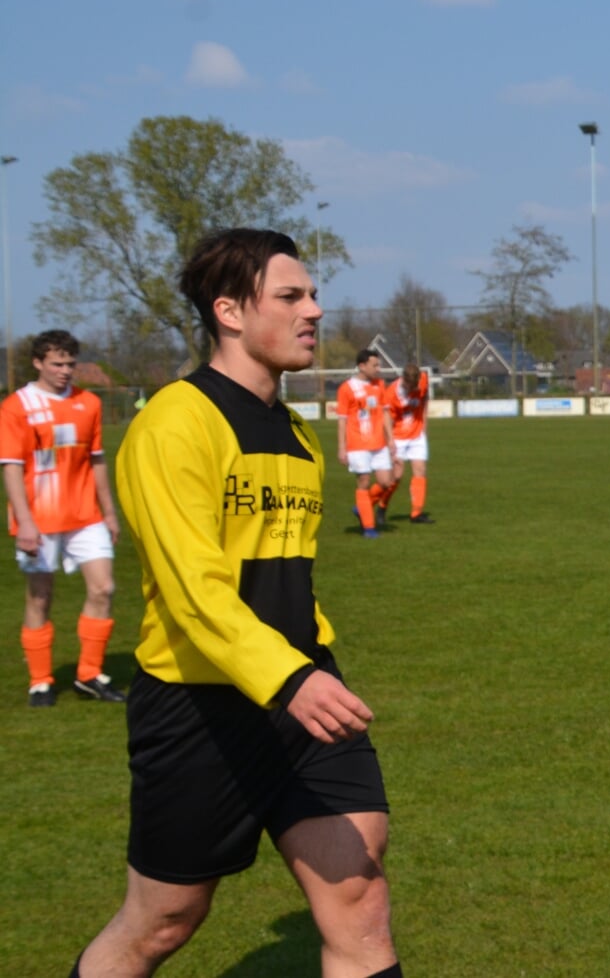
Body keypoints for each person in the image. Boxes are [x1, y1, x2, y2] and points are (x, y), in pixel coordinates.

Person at [74, 228, 399, 977]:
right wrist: (288, 678)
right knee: (163, 921)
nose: (313, 310)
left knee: (359, 896)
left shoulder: (296, 437)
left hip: (304, 697)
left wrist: (310, 666)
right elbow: (195, 594)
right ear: (228, 310)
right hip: (200, 709)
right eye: (290, 296)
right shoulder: (173, 424)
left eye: (312, 294)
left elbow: (290, 580)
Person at [4, 330, 123, 706]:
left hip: (85, 514)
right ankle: (40, 680)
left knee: (103, 588)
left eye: (70, 363)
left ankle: (90, 674)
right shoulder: (17, 406)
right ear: (38, 363)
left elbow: (97, 459)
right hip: (39, 518)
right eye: (57, 363)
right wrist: (24, 521)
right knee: (40, 597)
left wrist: (109, 512)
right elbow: (11, 467)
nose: (65, 371)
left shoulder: (88, 403)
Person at [337, 349, 395, 537]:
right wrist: (342, 447)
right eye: (375, 365)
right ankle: (368, 527)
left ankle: (362, 507)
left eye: (379, 365)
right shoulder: (347, 388)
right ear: (362, 366)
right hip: (357, 442)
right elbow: (342, 419)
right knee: (363, 481)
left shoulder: (380, 385)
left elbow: (385, 412)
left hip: (379, 443)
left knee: (386, 482)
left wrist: (391, 438)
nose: (378, 369)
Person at [385, 363, 433, 524]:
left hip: (417, 434)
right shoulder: (392, 393)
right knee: (396, 476)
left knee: (420, 470)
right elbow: (387, 419)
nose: (412, 389)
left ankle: (416, 513)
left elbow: (425, 397)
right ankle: (382, 505)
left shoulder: (424, 380)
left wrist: (424, 422)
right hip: (398, 436)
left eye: (415, 386)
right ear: (403, 380)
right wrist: (390, 440)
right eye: (409, 386)